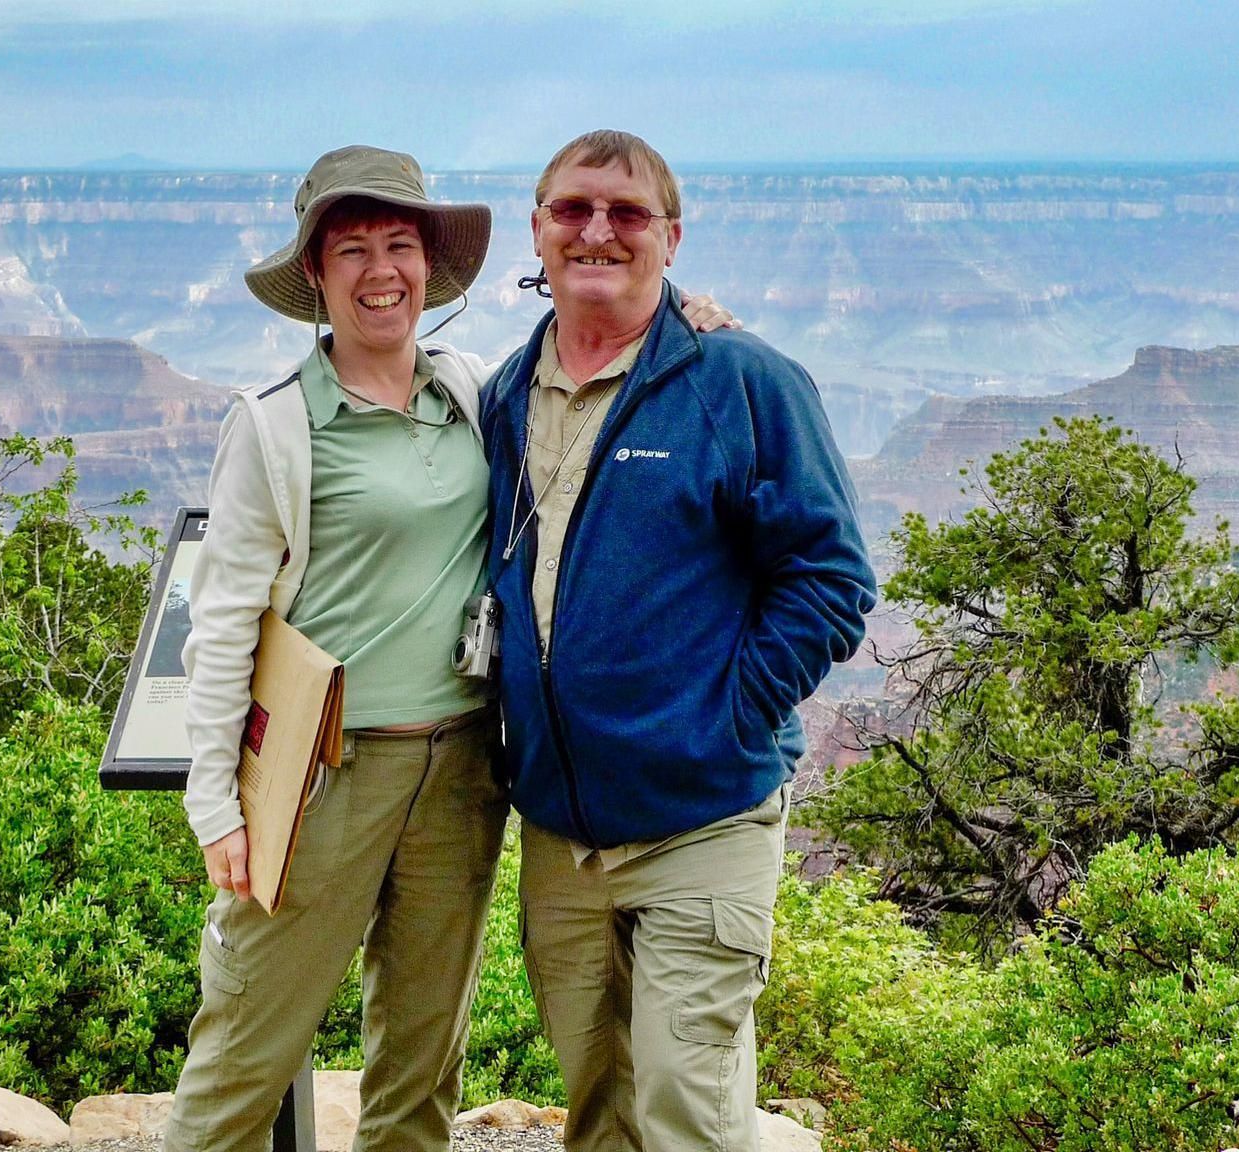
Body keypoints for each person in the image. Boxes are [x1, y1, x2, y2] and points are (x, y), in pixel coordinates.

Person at [167, 144, 732, 1152]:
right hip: (320, 776)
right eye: (351, 250)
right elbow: (220, 626)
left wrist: (688, 322)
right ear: (316, 275)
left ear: (428, 266)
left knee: (420, 1057)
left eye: (398, 244)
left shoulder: (477, 391)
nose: (379, 269)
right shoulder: (275, 427)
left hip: (461, 766)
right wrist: (215, 801)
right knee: (246, 1044)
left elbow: (595, 357)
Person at [480, 130, 876, 1152]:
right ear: (536, 228)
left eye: (625, 214)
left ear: (670, 237)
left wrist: (723, 716)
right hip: (561, 841)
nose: (596, 231)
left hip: (702, 824)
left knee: (684, 1113)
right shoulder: (501, 397)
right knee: (601, 1113)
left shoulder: (740, 382)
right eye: (572, 210)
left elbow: (830, 580)